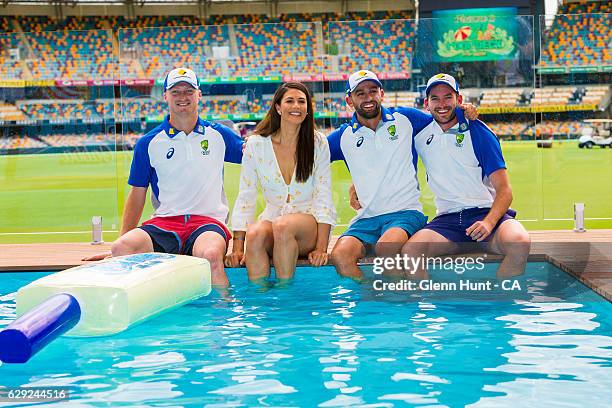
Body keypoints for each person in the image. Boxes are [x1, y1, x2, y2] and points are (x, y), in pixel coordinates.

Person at [89, 67, 244, 287]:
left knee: (210, 256)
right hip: (165, 223)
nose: (183, 97)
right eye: (176, 91)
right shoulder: (149, 143)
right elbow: (137, 193)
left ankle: (222, 318)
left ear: (199, 95)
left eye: (189, 91)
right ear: (165, 96)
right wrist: (120, 243)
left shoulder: (218, 134)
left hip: (207, 224)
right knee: (121, 249)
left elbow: (254, 155)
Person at [328, 70, 478, 279]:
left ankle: (404, 305)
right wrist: (355, 184)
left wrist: (463, 111)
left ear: (382, 93)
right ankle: (371, 301)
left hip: (405, 212)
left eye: (373, 91)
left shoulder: (406, 119)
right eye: (360, 93)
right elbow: (311, 159)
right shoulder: (342, 137)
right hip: (366, 217)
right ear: (349, 100)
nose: (368, 97)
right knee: (340, 255)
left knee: (386, 250)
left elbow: (442, 116)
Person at [402, 73, 531, 277]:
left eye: (448, 96)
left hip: (485, 214)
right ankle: (429, 306)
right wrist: (358, 185)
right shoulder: (420, 133)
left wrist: (488, 223)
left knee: (519, 242)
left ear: (459, 100)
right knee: (411, 253)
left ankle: (502, 303)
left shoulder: (480, 132)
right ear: (426, 103)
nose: (441, 103)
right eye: (435, 98)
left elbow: (505, 191)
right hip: (447, 220)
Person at [225, 82, 336, 281]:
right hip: (273, 217)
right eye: (290, 101)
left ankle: (285, 300)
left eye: (302, 102)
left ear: (308, 109)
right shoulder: (256, 144)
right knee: (256, 232)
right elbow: (246, 195)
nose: (296, 106)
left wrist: (321, 248)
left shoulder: (318, 142)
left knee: (283, 226)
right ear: (278, 107)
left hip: (307, 223)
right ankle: (261, 300)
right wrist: (237, 248)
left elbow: (323, 194)